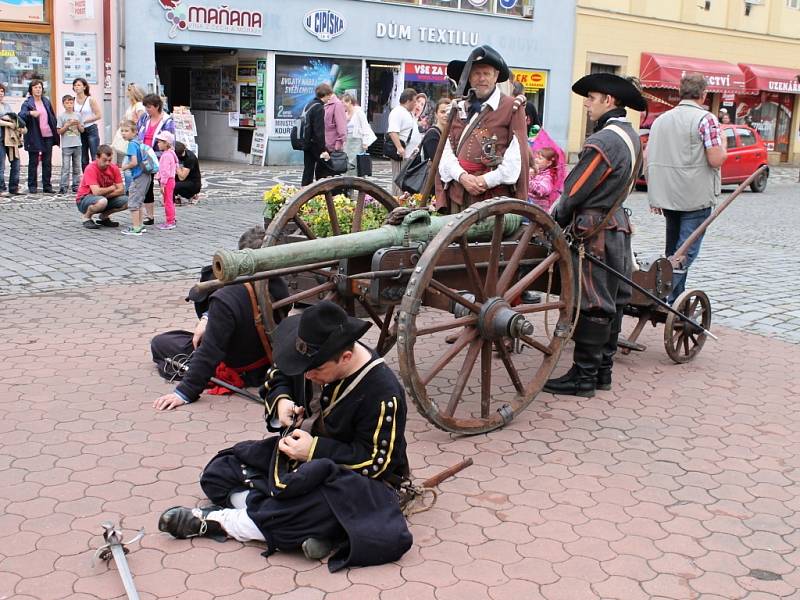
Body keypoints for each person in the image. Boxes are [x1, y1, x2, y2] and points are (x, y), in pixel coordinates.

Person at [157, 300, 412, 571]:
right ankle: (281, 519)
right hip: (301, 464)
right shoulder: (312, 356)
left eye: (316, 371)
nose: (309, 376)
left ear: (346, 357)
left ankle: (220, 522)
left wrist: (314, 450)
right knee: (219, 472)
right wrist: (282, 401)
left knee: (318, 509)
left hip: (353, 480)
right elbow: (279, 374)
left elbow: (375, 463)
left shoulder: (383, 393)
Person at [543, 73, 645, 398]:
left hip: (593, 231)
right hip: (616, 225)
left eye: (591, 98)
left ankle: (583, 378)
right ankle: (602, 372)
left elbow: (573, 190)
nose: (586, 104)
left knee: (593, 301)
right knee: (612, 300)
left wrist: (553, 219)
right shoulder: (631, 136)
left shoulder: (604, 141)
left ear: (608, 100)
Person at [151, 225, 290, 410]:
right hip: (263, 356)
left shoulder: (226, 298)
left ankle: (190, 371)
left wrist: (184, 392)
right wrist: (209, 316)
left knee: (160, 343)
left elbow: (210, 350)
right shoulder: (279, 283)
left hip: (238, 363)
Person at [646, 73, 727, 304]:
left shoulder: (661, 120)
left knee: (673, 249)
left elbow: (648, 156)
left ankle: (668, 293)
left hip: (667, 195)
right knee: (684, 253)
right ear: (703, 95)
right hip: (695, 195)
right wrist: (723, 141)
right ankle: (669, 298)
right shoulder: (706, 119)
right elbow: (716, 159)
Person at [435, 45, 528, 213]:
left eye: (487, 73)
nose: (482, 78)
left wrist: (485, 181)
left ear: (496, 76)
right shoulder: (458, 108)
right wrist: (463, 177)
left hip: (493, 201)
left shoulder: (511, 107)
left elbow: (515, 161)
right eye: (477, 73)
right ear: (469, 77)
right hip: (459, 195)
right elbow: (446, 153)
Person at [136, 93, 175, 225]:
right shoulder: (144, 118)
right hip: (145, 156)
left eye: (150, 107)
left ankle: (170, 216)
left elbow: (169, 139)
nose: (147, 109)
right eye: (146, 107)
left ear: (157, 106)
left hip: (159, 157)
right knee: (147, 185)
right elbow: (138, 132)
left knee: (165, 186)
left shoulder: (167, 121)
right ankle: (150, 216)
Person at [19, 79, 59, 194]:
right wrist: (30, 113)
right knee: (33, 162)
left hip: (48, 135)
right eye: (35, 87)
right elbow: (20, 115)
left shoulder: (46, 101)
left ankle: (47, 186)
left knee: (47, 162)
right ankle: (32, 186)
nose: (38, 89)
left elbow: (52, 115)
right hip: (34, 136)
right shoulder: (28, 103)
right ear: (31, 89)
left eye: (40, 87)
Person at [74, 144, 128, 229]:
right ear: (97, 157)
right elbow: (96, 192)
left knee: (128, 201)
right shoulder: (90, 168)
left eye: (109, 160)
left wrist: (105, 195)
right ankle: (86, 218)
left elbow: (121, 190)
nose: (107, 163)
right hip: (84, 199)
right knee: (102, 201)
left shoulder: (114, 168)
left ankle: (104, 217)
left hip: (104, 197)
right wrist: (112, 188)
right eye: (104, 160)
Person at [387, 88, 421, 196]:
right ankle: (396, 200)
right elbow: (393, 131)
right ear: (408, 100)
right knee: (399, 178)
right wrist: (399, 148)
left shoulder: (408, 113)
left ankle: (403, 199)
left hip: (410, 154)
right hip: (402, 154)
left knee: (405, 179)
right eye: (415, 101)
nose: (416, 104)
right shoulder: (397, 112)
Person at [119, 119, 151, 236]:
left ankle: (135, 227)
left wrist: (124, 167)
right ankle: (140, 225)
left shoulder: (131, 144)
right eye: (122, 131)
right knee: (139, 201)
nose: (123, 133)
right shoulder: (138, 142)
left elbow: (134, 162)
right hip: (145, 176)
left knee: (133, 201)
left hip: (138, 176)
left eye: (126, 131)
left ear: (134, 132)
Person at [341, 93, 376, 176]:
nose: (342, 105)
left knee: (356, 162)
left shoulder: (359, 112)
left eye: (343, 103)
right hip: (347, 142)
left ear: (349, 101)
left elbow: (365, 127)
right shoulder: (345, 114)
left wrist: (365, 142)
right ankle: (348, 183)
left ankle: (356, 181)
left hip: (357, 141)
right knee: (347, 162)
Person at [56, 94, 84, 195]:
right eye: (67, 103)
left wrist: (78, 125)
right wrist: (67, 125)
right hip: (66, 146)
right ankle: (63, 186)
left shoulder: (78, 115)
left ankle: (76, 186)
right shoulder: (61, 116)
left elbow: (82, 130)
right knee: (66, 168)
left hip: (77, 144)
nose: (69, 105)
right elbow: (59, 131)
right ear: (63, 104)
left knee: (77, 167)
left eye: (71, 102)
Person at [299, 85, 327, 186]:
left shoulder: (310, 104)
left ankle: (305, 192)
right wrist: (323, 149)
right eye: (328, 96)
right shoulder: (319, 107)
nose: (329, 98)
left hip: (307, 142)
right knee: (325, 166)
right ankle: (324, 189)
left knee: (308, 169)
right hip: (314, 144)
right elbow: (318, 130)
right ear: (324, 95)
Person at [317, 87, 347, 179]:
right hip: (324, 145)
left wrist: (337, 145)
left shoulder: (337, 105)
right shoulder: (325, 104)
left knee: (330, 174)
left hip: (332, 146)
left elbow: (342, 127)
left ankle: (335, 193)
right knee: (320, 173)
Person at [0, 83, 24, 196]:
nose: (1, 94)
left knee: (16, 162)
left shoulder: (6, 106)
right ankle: (1, 188)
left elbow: (14, 119)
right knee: (1, 164)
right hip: (0, 138)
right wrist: (8, 124)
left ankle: (14, 187)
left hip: (10, 138)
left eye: (2, 91)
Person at [72, 78, 101, 171]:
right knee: (83, 158)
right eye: (75, 85)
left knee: (94, 156)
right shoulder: (73, 100)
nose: (77, 87)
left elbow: (98, 115)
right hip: (80, 130)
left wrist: (84, 121)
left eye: (79, 85)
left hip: (91, 129)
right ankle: (86, 178)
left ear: (84, 87)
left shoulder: (90, 100)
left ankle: (96, 177)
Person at [113, 84, 146, 164]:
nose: (127, 95)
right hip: (130, 133)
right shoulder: (133, 106)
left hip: (134, 134)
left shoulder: (139, 106)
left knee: (131, 158)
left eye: (129, 93)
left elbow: (141, 121)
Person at [155, 130, 178, 230]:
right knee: (169, 200)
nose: (158, 143)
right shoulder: (171, 153)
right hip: (171, 180)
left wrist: (162, 184)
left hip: (167, 181)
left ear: (166, 143)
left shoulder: (166, 155)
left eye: (160, 141)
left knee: (167, 201)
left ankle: (170, 221)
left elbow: (165, 171)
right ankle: (172, 219)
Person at [527, 147, 561, 212]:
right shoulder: (536, 172)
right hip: (529, 204)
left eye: (540, 158)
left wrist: (528, 179)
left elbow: (541, 191)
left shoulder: (548, 177)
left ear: (548, 163)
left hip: (538, 210)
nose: (536, 160)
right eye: (536, 157)